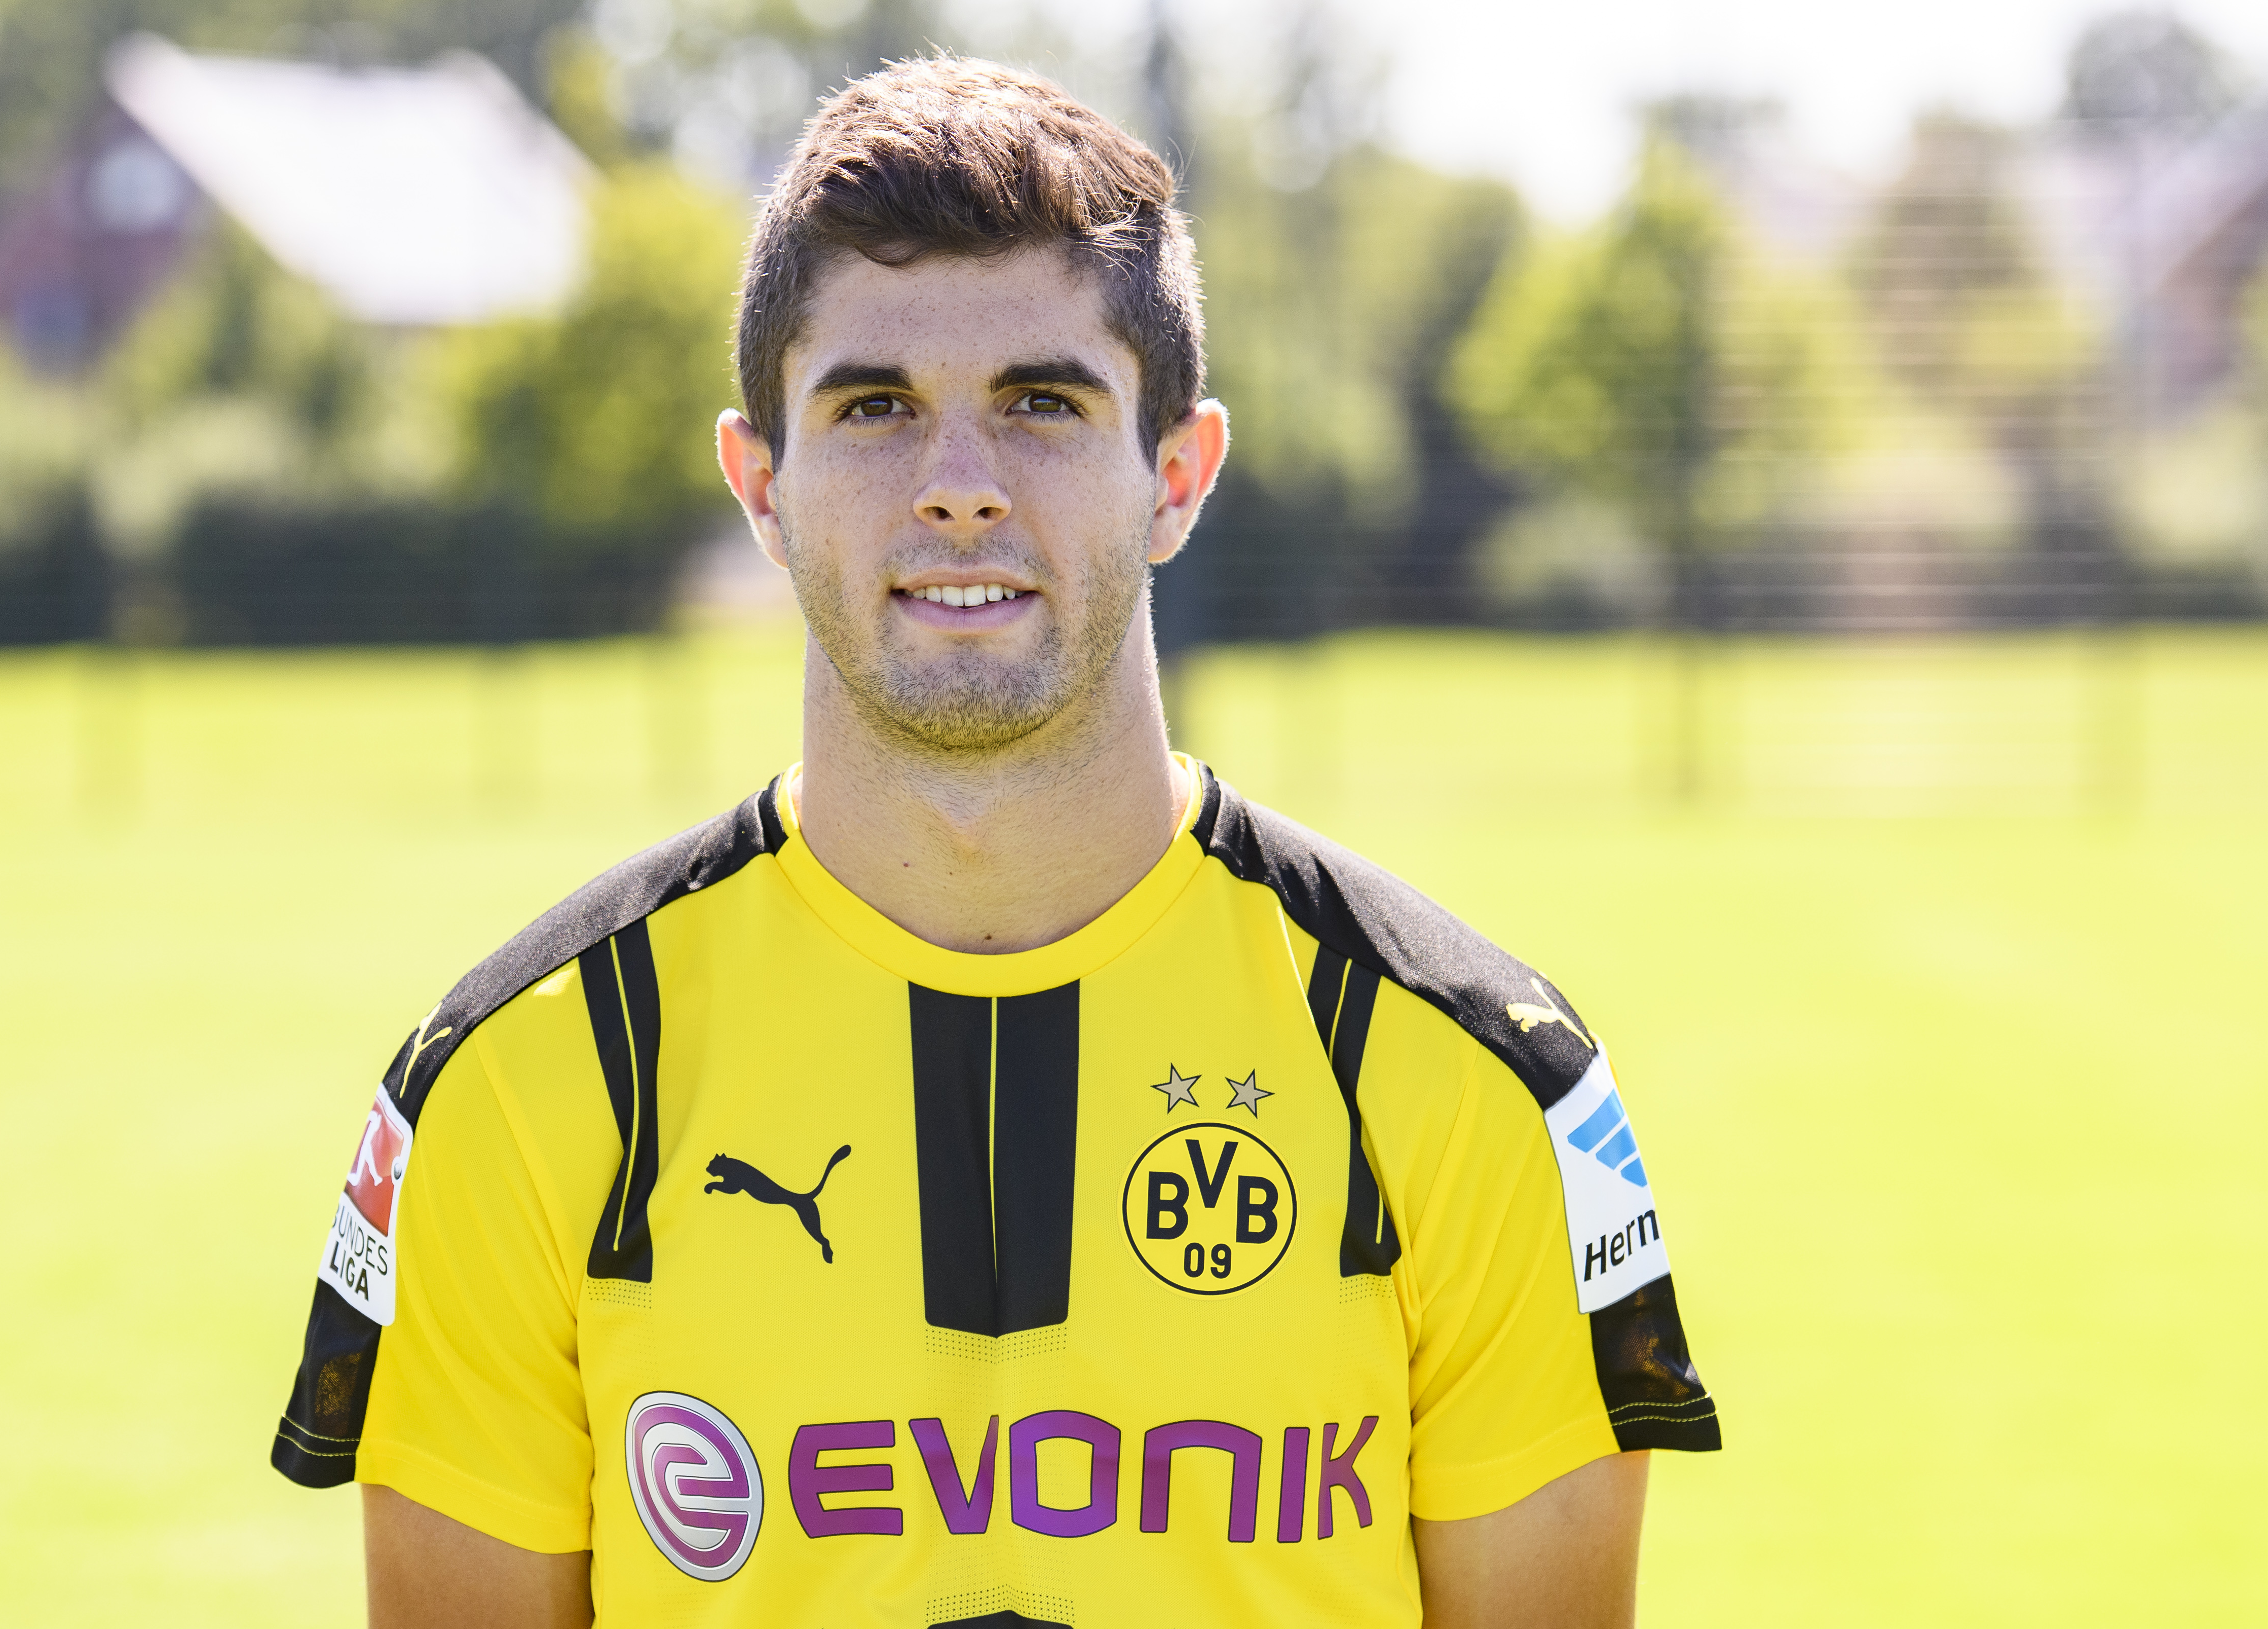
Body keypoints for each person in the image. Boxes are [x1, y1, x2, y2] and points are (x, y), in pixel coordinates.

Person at [272, 56, 1717, 1629]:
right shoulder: (524, 1083)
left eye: (1040, 402)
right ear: (760, 484)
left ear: (1175, 475)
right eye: (876, 406)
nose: (958, 486)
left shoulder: (1469, 1080)